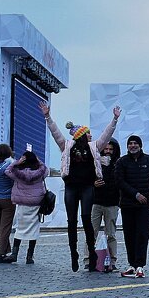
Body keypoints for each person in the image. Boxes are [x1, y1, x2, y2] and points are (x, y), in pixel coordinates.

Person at [42, 101, 120, 272]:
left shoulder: (94, 148)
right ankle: (73, 254)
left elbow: (107, 135)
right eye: (87, 133)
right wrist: (48, 117)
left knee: (86, 218)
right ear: (80, 135)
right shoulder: (67, 146)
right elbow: (56, 134)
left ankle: (92, 254)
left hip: (87, 187)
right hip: (71, 186)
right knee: (71, 221)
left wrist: (114, 120)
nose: (89, 136)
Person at [114, 134, 149, 277]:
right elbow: (119, 181)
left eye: (135, 143)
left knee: (142, 235)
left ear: (140, 146)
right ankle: (131, 265)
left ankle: (140, 265)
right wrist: (135, 194)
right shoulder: (122, 162)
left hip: (144, 205)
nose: (132, 146)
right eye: (130, 143)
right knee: (129, 235)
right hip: (128, 204)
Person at [5, 148, 48, 264]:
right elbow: (46, 171)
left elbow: (7, 171)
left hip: (22, 204)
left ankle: (14, 254)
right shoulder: (40, 172)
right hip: (36, 204)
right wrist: (40, 162)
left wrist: (16, 163)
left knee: (20, 229)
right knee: (33, 230)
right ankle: (29, 256)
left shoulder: (18, 173)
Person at [92, 139, 123, 271]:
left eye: (111, 149)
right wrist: (93, 184)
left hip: (112, 203)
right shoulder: (95, 163)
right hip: (96, 202)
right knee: (91, 233)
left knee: (111, 234)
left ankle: (112, 260)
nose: (108, 152)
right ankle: (89, 260)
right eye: (106, 149)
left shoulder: (119, 164)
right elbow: (87, 179)